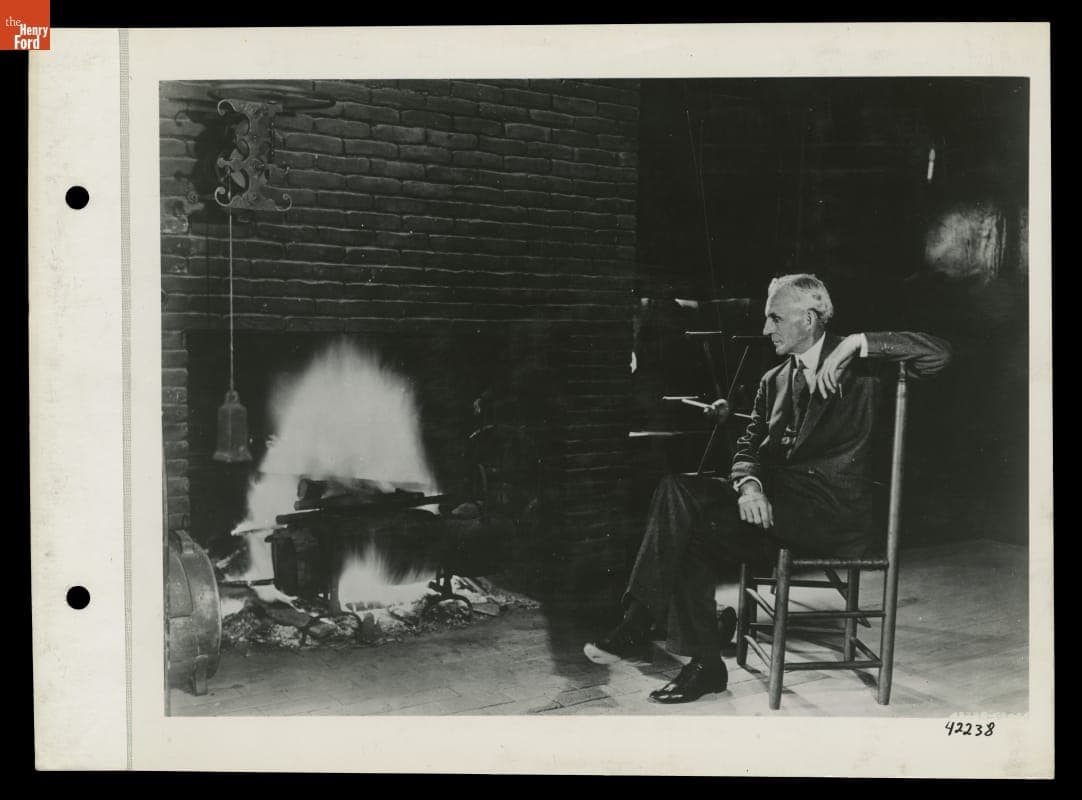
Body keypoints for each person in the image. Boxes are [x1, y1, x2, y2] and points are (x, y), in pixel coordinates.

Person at [584, 274, 952, 703]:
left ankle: (640, 619)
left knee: (685, 515)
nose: (765, 329)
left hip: (829, 517)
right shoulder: (773, 380)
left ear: (809, 319)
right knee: (679, 498)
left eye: (775, 318)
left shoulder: (865, 369)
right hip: (777, 508)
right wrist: (749, 486)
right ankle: (703, 662)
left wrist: (855, 343)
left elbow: (939, 354)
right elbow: (747, 448)